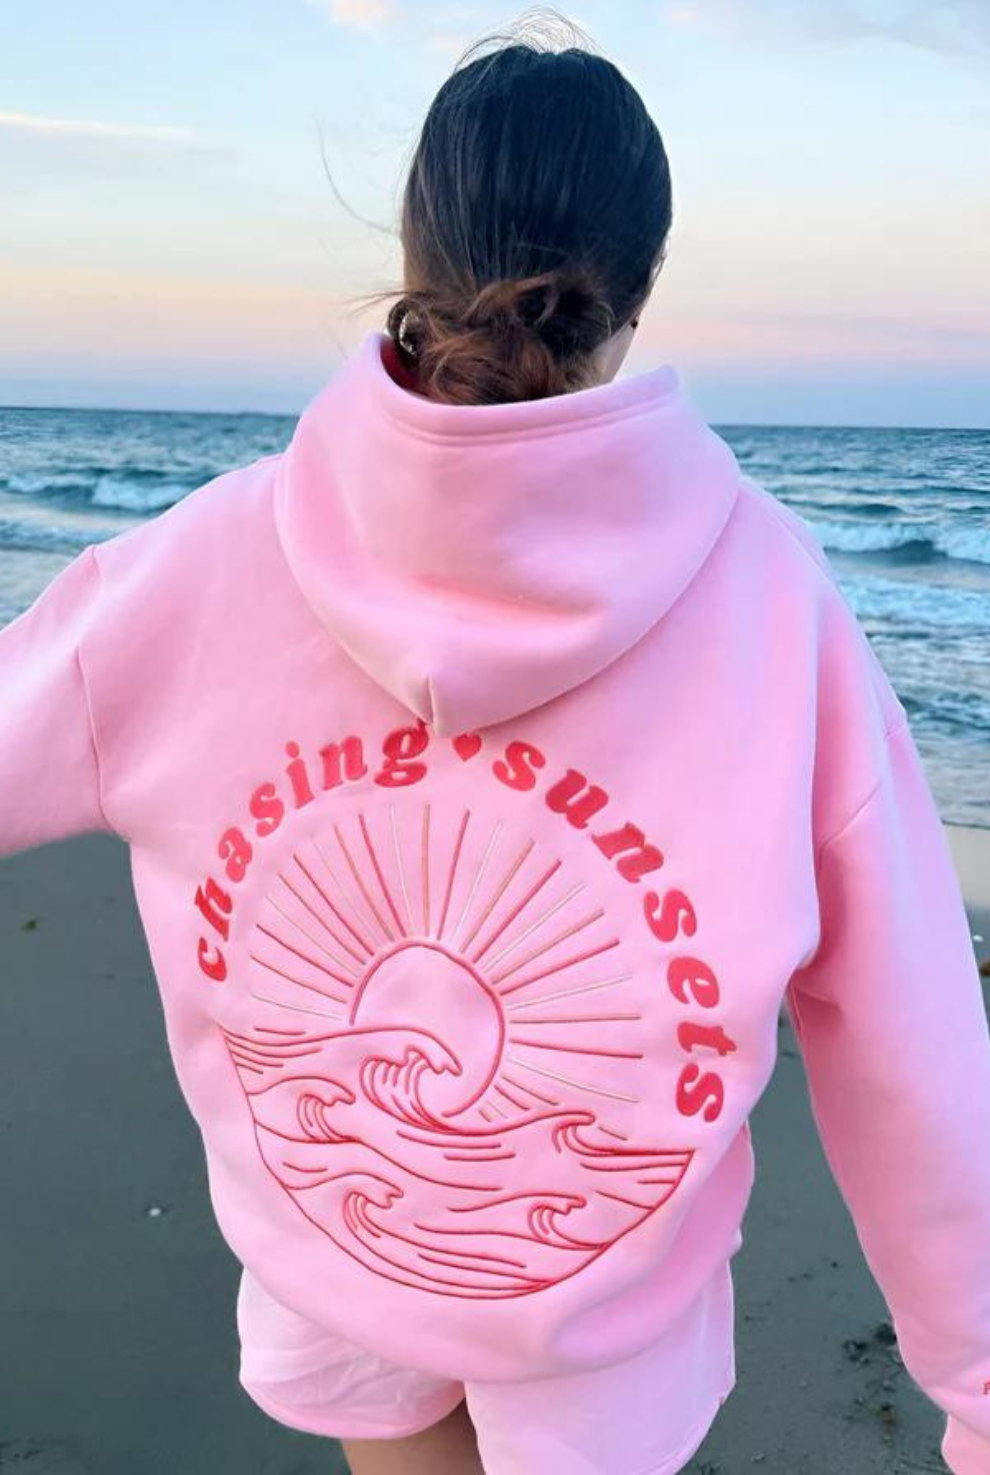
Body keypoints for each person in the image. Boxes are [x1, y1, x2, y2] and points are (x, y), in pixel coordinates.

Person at [3, 11, 989, 1475]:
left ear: (414, 251)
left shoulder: (200, 560)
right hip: (607, 1325)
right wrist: (975, 1379)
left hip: (337, 1250)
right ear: (640, 287)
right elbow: (908, 1042)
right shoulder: (775, 604)